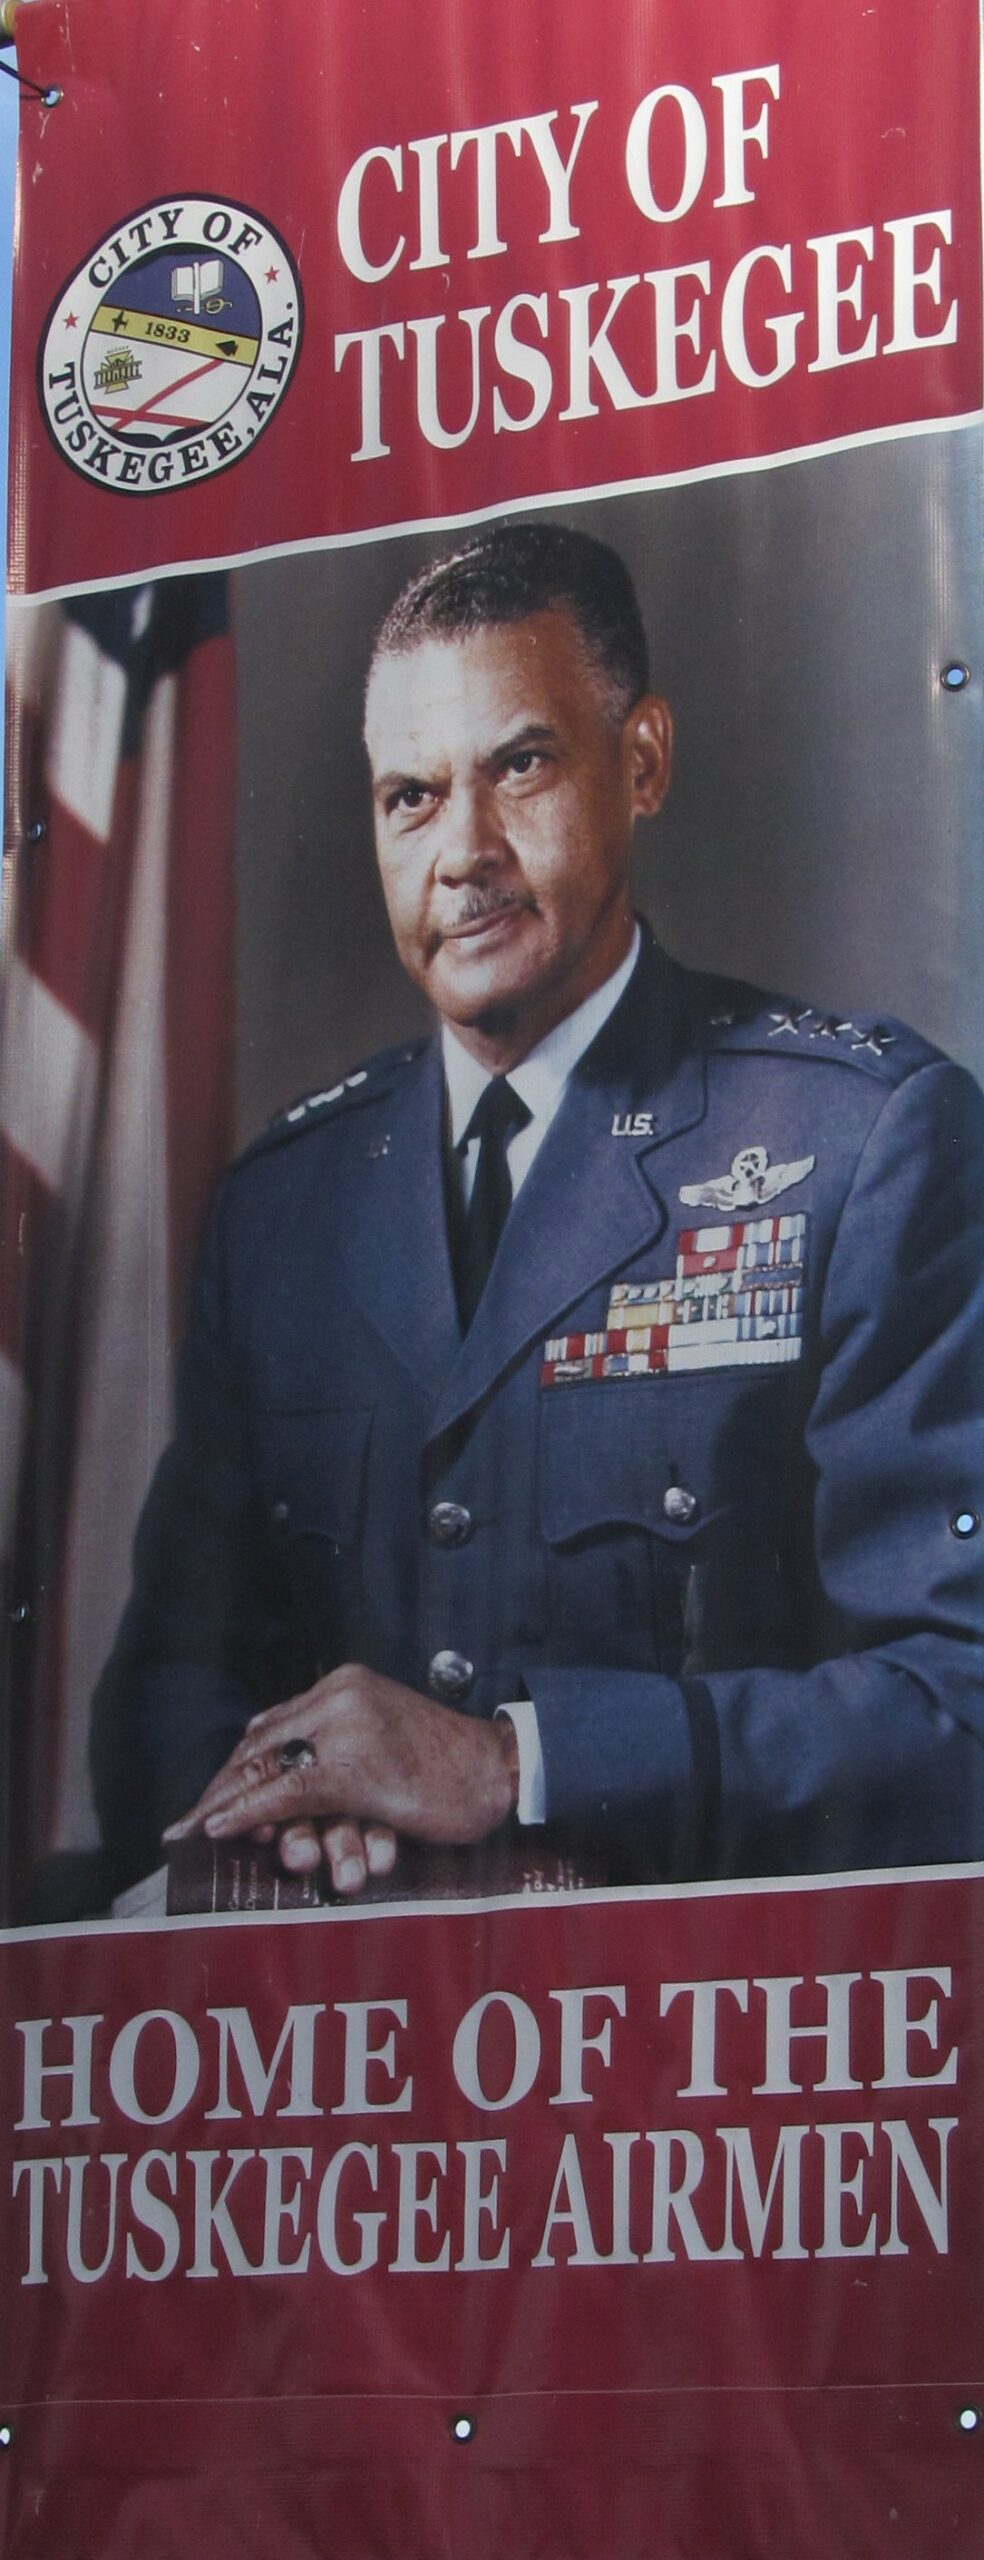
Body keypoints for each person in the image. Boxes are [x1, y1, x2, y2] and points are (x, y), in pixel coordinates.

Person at [92, 521, 984, 1895]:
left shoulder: (861, 1144)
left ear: (644, 761)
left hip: (707, 2010)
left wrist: (515, 1761)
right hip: (353, 2003)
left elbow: (959, 1709)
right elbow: (166, 1689)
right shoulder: (285, 1207)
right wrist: (294, 1806)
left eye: (520, 765)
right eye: (411, 796)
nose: (463, 851)